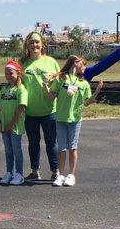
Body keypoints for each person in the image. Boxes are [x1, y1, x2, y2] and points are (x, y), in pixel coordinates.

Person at [43, 55, 103, 187]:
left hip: (75, 120)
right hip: (61, 119)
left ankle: (71, 175)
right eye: (83, 64)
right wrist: (45, 85)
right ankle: (60, 175)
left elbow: (87, 102)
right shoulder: (61, 79)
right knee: (62, 149)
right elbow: (50, 97)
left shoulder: (84, 83)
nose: (85, 68)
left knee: (72, 148)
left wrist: (97, 91)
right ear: (75, 64)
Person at [20, 32, 61, 182]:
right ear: (27, 45)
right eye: (31, 42)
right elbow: (18, 85)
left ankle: (55, 171)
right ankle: (34, 171)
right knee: (33, 143)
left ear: (42, 44)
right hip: (30, 111)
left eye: (37, 42)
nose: (34, 45)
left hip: (49, 110)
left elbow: (59, 81)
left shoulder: (50, 62)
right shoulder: (23, 63)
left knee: (51, 143)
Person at [0, 60, 28, 185]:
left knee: (16, 150)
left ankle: (19, 173)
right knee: (8, 150)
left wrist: (12, 122)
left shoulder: (21, 89)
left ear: (18, 73)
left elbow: (21, 107)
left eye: (11, 73)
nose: (8, 76)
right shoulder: (4, 89)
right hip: (4, 125)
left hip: (15, 125)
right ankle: (9, 172)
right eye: (6, 73)